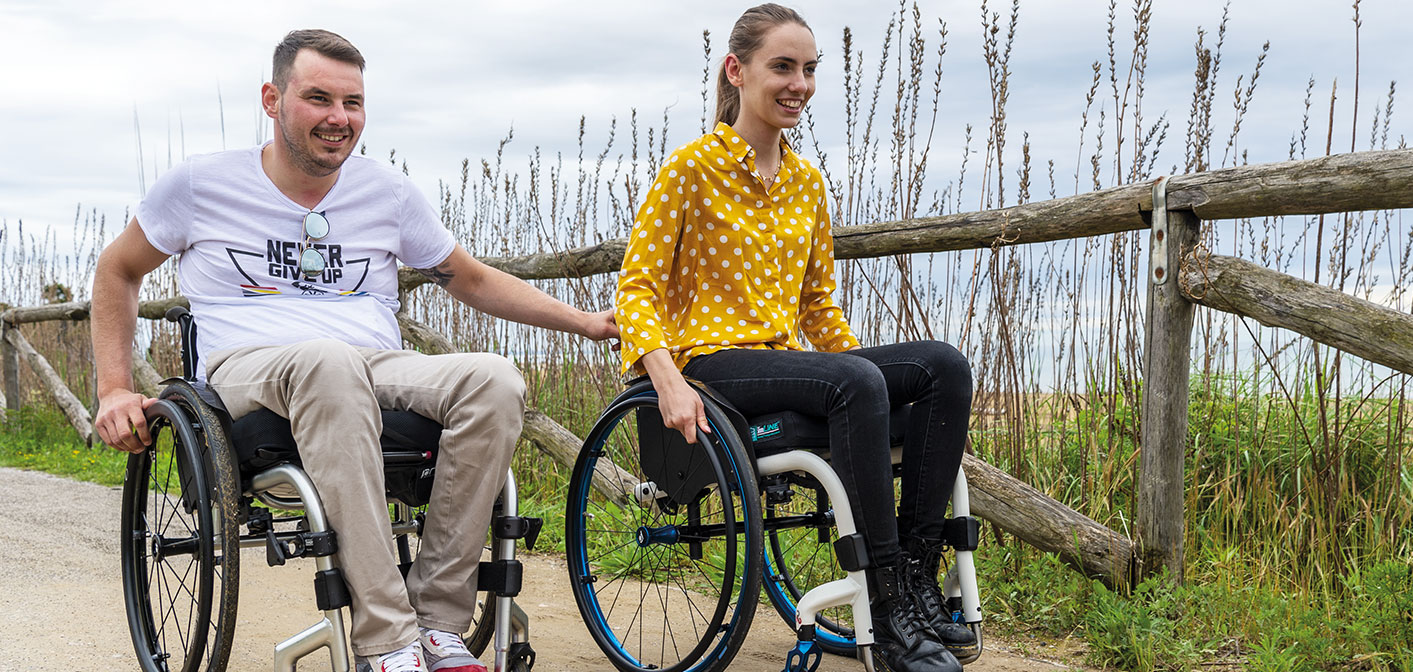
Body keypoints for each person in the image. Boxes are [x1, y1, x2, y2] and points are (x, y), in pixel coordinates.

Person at [90, 29, 616, 672]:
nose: (339, 119)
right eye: (318, 98)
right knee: (327, 360)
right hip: (250, 366)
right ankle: (387, 641)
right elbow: (117, 270)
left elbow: (472, 279)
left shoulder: (386, 193)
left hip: (370, 363)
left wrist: (586, 323)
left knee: (495, 378)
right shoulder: (201, 184)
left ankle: (437, 627)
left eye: (353, 103)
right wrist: (114, 387)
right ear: (272, 99)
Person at [614, 5, 974, 671]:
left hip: (784, 360)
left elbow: (816, 306)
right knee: (854, 379)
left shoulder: (807, 182)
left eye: (808, 70)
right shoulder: (689, 171)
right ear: (737, 71)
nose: (799, 83)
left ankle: (919, 582)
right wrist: (665, 379)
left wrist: (869, 377)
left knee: (941, 366)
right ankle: (888, 604)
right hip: (711, 364)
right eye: (783, 66)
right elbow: (636, 287)